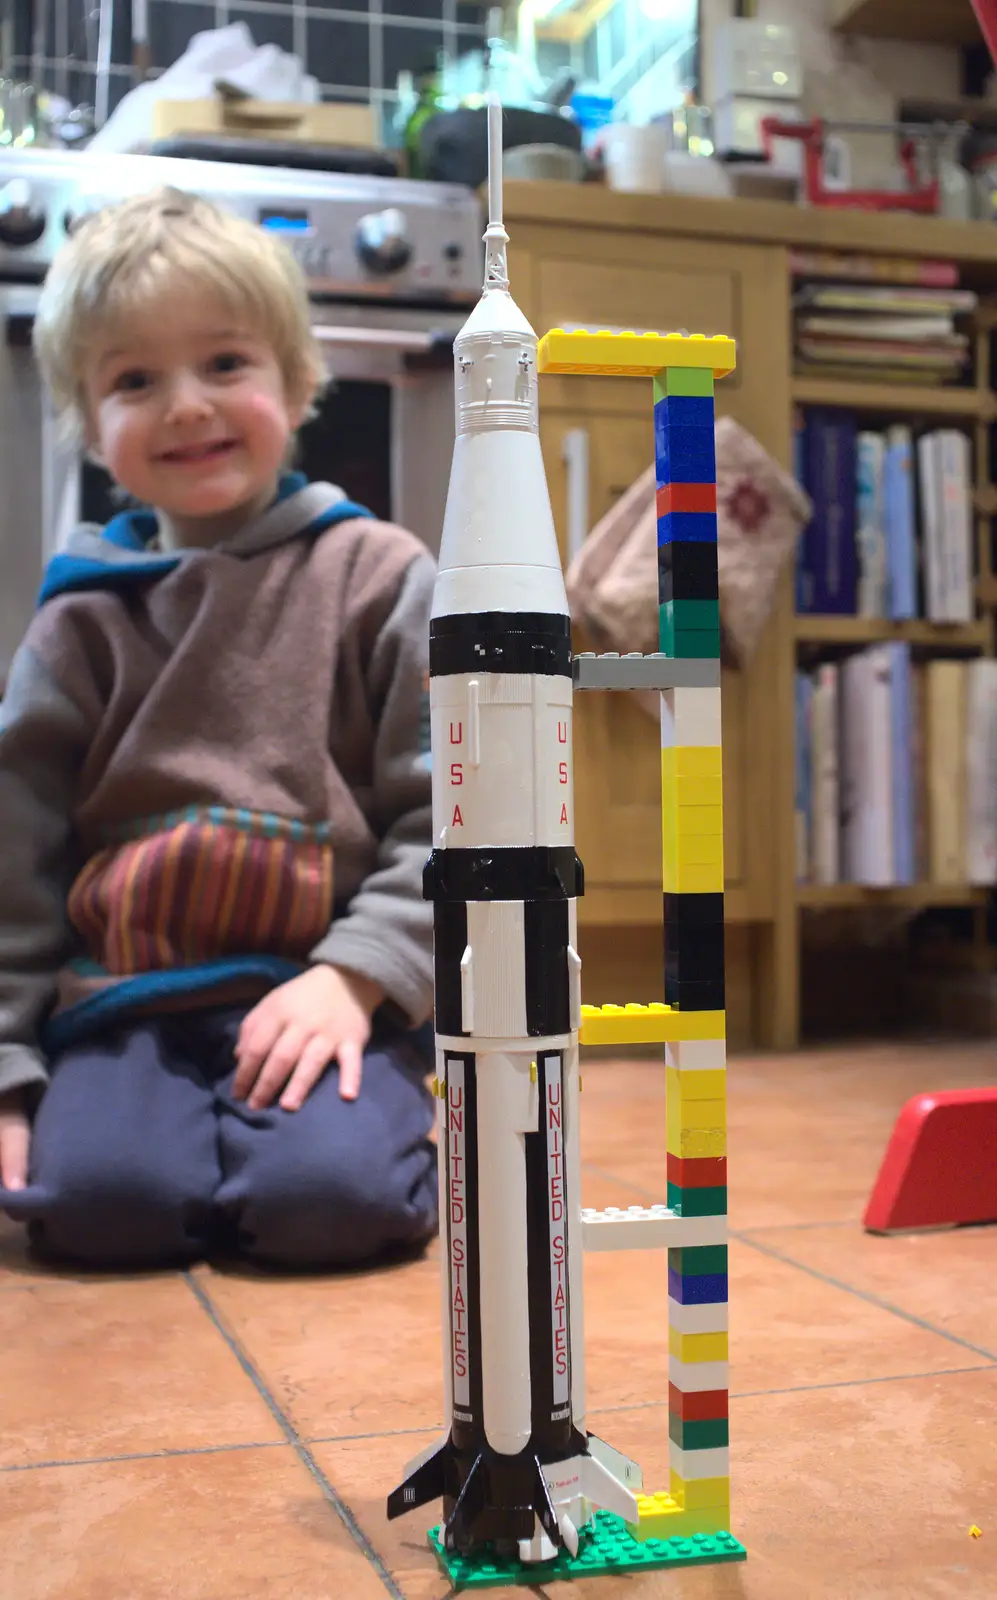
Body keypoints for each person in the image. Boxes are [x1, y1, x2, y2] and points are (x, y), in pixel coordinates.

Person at [0, 186, 438, 1270]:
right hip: (121, 1008)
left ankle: (375, 1120)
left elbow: (453, 814)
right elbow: (15, 869)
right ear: (90, 427)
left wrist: (355, 976)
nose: (186, 405)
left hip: (326, 990)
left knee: (329, 1205)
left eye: (225, 364)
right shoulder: (78, 619)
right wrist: (9, 1078)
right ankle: (165, 1145)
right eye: (135, 380)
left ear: (297, 381)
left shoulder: (380, 576)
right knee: (94, 1209)